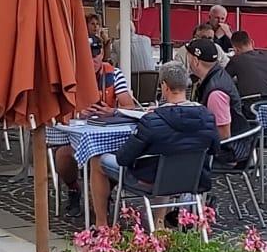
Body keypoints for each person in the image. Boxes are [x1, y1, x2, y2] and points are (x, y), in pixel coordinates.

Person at [89, 61, 221, 228]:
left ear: (164, 86)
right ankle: (158, 223)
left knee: (96, 159)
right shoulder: (207, 117)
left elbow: (124, 158)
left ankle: (102, 225)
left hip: (150, 180)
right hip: (193, 179)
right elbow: (215, 149)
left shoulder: (152, 120)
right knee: (166, 159)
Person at [54, 35, 136, 218]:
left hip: (107, 135)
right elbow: (61, 113)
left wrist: (112, 111)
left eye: (96, 54)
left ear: (102, 54)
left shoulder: (113, 74)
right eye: (88, 56)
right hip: (75, 136)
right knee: (63, 155)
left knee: (116, 157)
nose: (93, 60)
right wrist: (78, 114)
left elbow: (129, 105)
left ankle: (104, 196)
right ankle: (74, 188)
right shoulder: (70, 77)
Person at [186, 37, 248, 142]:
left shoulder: (215, 93)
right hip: (233, 142)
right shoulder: (218, 74)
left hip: (226, 153)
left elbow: (223, 136)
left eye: (189, 57)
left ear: (196, 61)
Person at [227, 30, 267, 98]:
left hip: (250, 103)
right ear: (252, 42)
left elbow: (223, 78)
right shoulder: (265, 56)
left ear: (235, 49)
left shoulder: (236, 60)